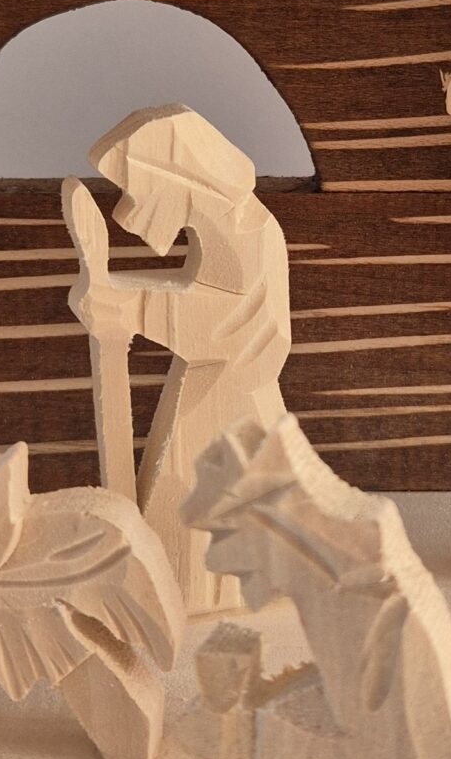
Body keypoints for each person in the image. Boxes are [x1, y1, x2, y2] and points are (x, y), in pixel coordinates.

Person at [71, 107, 291, 614]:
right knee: (180, 501)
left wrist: (130, 304)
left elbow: (230, 325)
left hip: (235, 411)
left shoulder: (252, 234)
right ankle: (182, 591)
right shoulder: (229, 231)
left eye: (134, 190)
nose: (126, 213)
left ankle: (204, 594)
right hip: (206, 395)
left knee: (199, 501)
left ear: (176, 177)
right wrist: (119, 297)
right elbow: (197, 294)